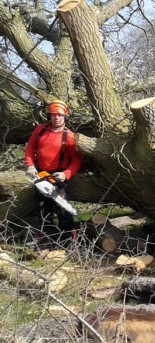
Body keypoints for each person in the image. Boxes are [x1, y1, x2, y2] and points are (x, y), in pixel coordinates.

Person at [24, 99, 82, 248]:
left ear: (65, 117)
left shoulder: (69, 136)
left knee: (63, 208)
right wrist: (30, 165)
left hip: (58, 175)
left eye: (59, 115)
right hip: (41, 174)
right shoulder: (40, 130)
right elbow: (30, 149)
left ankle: (68, 241)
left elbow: (76, 159)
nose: (56, 118)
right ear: (49, 116)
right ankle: (49, 238)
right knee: (42, 207)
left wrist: (66, 174)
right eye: (53, 115)